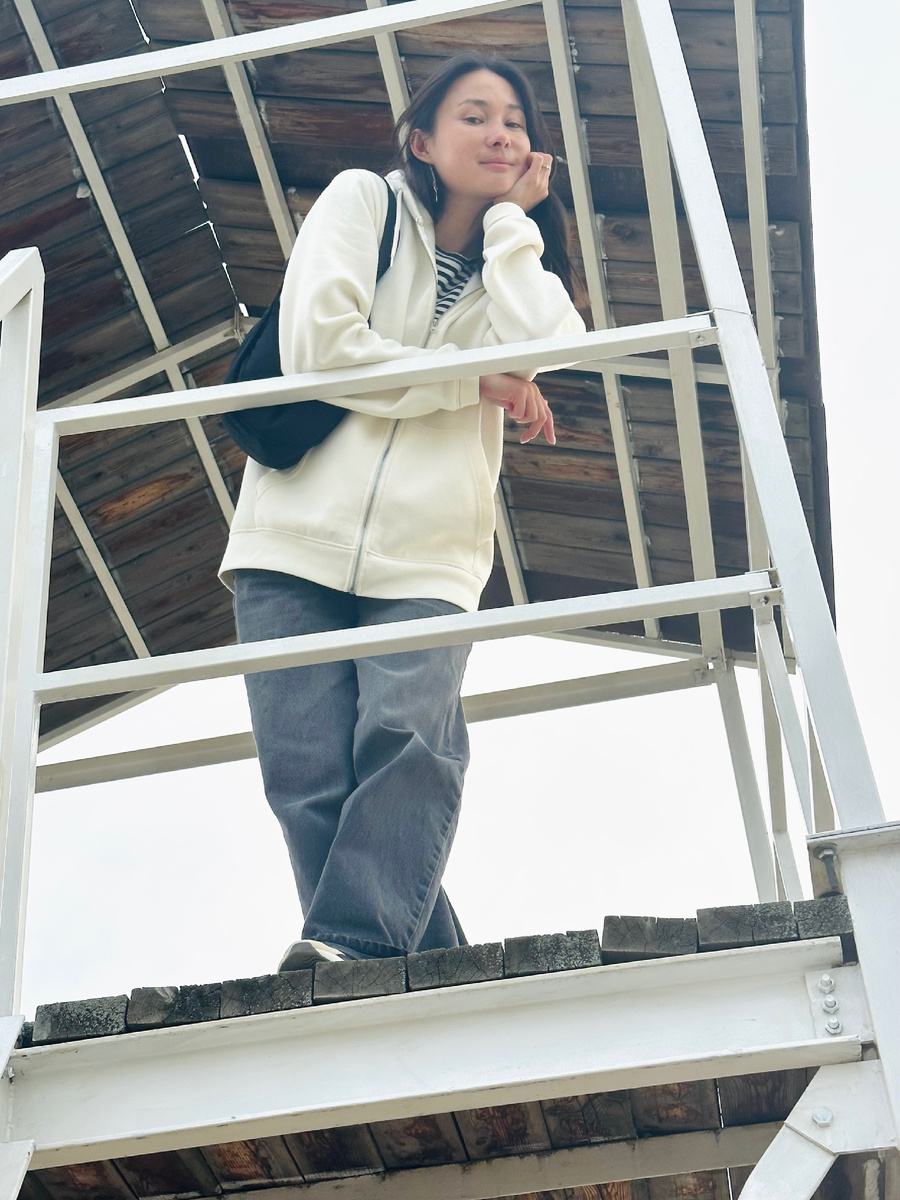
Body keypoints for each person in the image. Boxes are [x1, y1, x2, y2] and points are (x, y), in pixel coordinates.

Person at [219, 52, 585, 971]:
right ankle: (429, 972)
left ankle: (349, 946)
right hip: (290, 540)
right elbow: (323, 348)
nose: (501, 134)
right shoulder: (362, 202)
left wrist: (512, 224)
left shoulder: (512, 261)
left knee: (411, 744)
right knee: (306, 773)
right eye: (475, 116)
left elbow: (554, 343)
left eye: (515, 122)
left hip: (430, 551)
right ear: (421, 141)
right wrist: (472, 379)